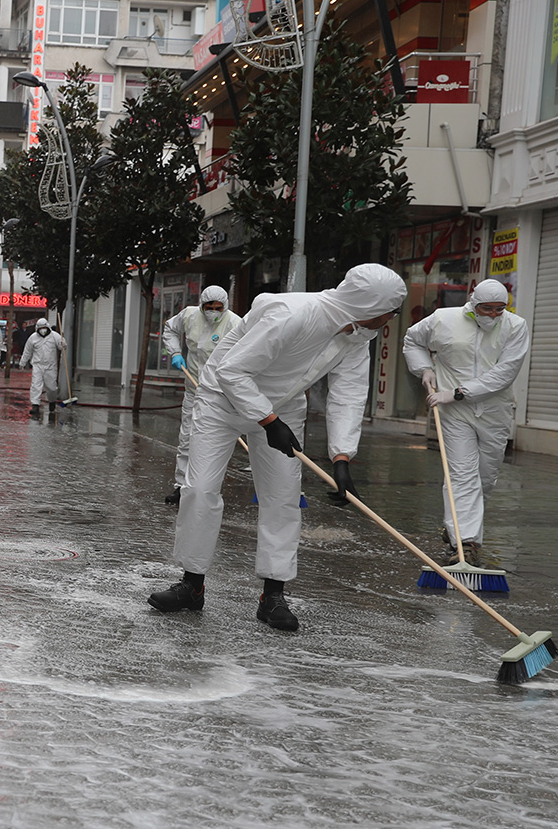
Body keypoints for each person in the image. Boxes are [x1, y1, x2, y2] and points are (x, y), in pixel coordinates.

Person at [146, 263, 407, 632]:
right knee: (200, 489)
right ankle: (192, 585)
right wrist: (268, 422)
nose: (391, 320)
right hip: (221, 401)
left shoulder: (358, 333)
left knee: (283, 497)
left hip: (283, 404)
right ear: (369, 305)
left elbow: (348, 393)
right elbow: (232, 371)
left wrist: (342, 457)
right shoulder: (292, 315)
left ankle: (273, 596)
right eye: (390, 312)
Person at [402, 279, 529, 565]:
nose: (494, 315)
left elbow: (505, 372)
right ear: (473, 303)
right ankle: (465, 545)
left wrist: (458, 393)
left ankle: (456, 528)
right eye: (487, 309)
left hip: (493, 410)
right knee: (461, 475)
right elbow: (413, 341)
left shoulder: (515, 326)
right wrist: (424, 369)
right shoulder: (443, 319)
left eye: (500, 309)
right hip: (454, 415)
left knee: (484, 478)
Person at [161, 285, 243, 503]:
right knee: (187, 437)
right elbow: (169, 329)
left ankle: (207, 487)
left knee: (215, 442)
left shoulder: (235, 323)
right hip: (193, 388)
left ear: (225, 306)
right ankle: (181, 485)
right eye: (209, 307)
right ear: (202, 305)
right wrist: (176, 352)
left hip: (220, 394)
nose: (213, 311)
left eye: (218, 308)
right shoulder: (189, 315)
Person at [19, 317, 65, 417]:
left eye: (44, 328)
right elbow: (27, 351)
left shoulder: (54, 336)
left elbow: (61, 345)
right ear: (37, 329)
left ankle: (52, 400)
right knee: (36, 385)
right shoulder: (33, 338)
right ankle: (35, 405)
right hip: (37, 365)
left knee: (51, 387)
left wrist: (63, 344)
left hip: (50, 366)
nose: (42, 330)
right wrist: (22, 362)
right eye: (40, 329)